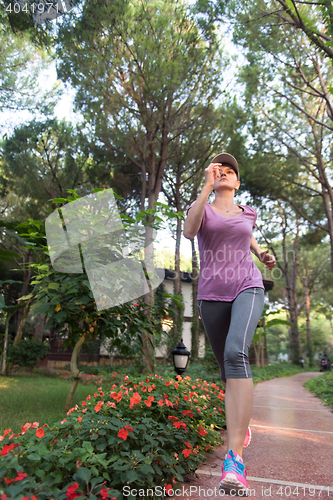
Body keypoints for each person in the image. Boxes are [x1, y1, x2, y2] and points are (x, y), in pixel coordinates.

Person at [183, 153, 276, 497]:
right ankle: (240, 424)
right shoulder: (202, 208)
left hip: (247, 286)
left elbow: (248, 240)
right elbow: (190, 231)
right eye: (219, 168)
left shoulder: (247, 213)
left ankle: (234, 458)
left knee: (237, 354)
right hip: (211, 295)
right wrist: (206, 186)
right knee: (226, 371)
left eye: (230, 171)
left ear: (237, 183)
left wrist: (262, 255)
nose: (225, 172)